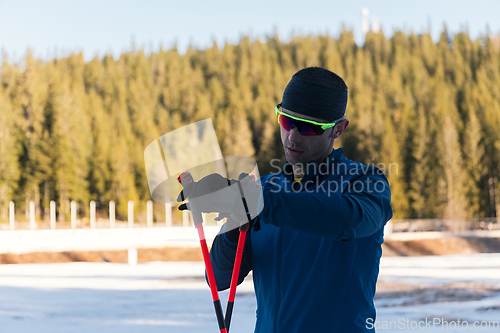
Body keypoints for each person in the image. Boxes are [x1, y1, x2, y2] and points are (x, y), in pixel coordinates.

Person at [181, 67, 393, 332]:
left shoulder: (365, 184)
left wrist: (257, 201)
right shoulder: (262, 189)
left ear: (338, 129)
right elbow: (218, 279)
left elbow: (349, 221)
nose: (292, 136)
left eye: (308, 127)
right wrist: (235, 223)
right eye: (286, 121)